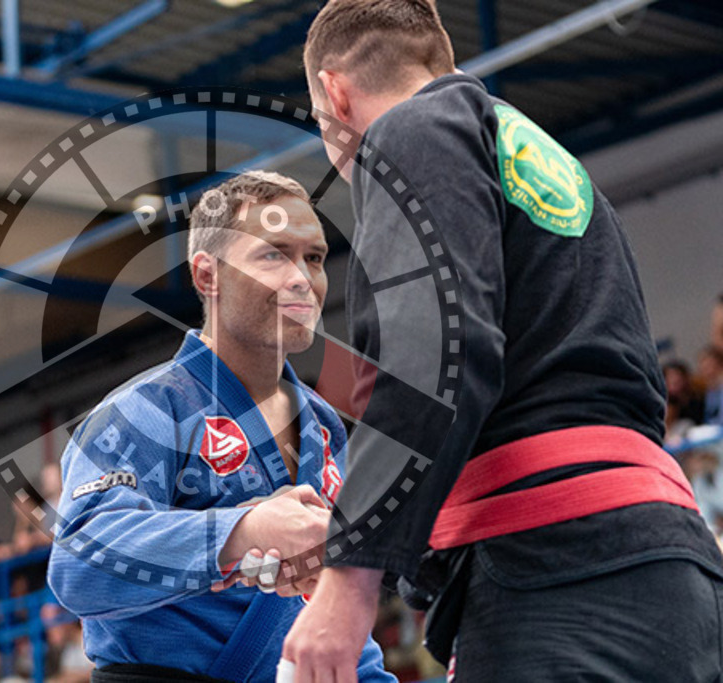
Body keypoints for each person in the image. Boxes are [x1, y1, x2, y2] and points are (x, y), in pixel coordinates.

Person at [281, 1, 723, 681]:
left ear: (335, 92)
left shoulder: (408, 132)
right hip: (665, 567)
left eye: (320, 125)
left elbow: (436, 351)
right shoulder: (537, 155)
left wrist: (351, 575)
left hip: (552, 569)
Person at [47, 171, 396, 682]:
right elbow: (79, 566)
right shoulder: (146, 412)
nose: (301, 277)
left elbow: (328, 605)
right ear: (208, 276)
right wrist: (242, 530)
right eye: (273, 254)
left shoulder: (324, 429)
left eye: (314, 257)